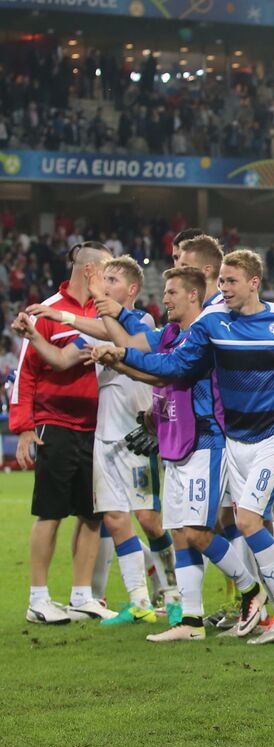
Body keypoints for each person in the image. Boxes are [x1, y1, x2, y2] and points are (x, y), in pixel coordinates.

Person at [93, 249, 274, 644]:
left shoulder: (273, 319)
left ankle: (264, 592)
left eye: (173, 291)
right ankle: (192, 620)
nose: (166, 298)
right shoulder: (196, 328)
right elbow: (165, 369)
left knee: (222, 526)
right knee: (184, 530)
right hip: (188, 439)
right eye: (221, 281)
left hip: (217, 438)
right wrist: (122, 359)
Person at [15, 257, 176, 625]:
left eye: (112, 279)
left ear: (131, 290)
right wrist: (35, 335)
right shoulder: (96, 329)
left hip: (136, 434)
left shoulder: (144, 323)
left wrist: (70, 316)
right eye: (102, 279)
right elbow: (59, 359)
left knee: (150, 520)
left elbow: (121, 341)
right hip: (103, 436)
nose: (104, 285)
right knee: (116, 520)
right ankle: (139, 601)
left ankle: (173, 593)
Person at [14, 241, 114, 625]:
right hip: (55, 424)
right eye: (105, 272)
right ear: (89, 272)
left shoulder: (104, 313)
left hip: (98, 428)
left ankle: (81, 595)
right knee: (50, 513)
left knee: (91, 515)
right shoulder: (47, 310)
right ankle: (38, 598)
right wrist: (23, 428)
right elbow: (26, 372)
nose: (108, 279)